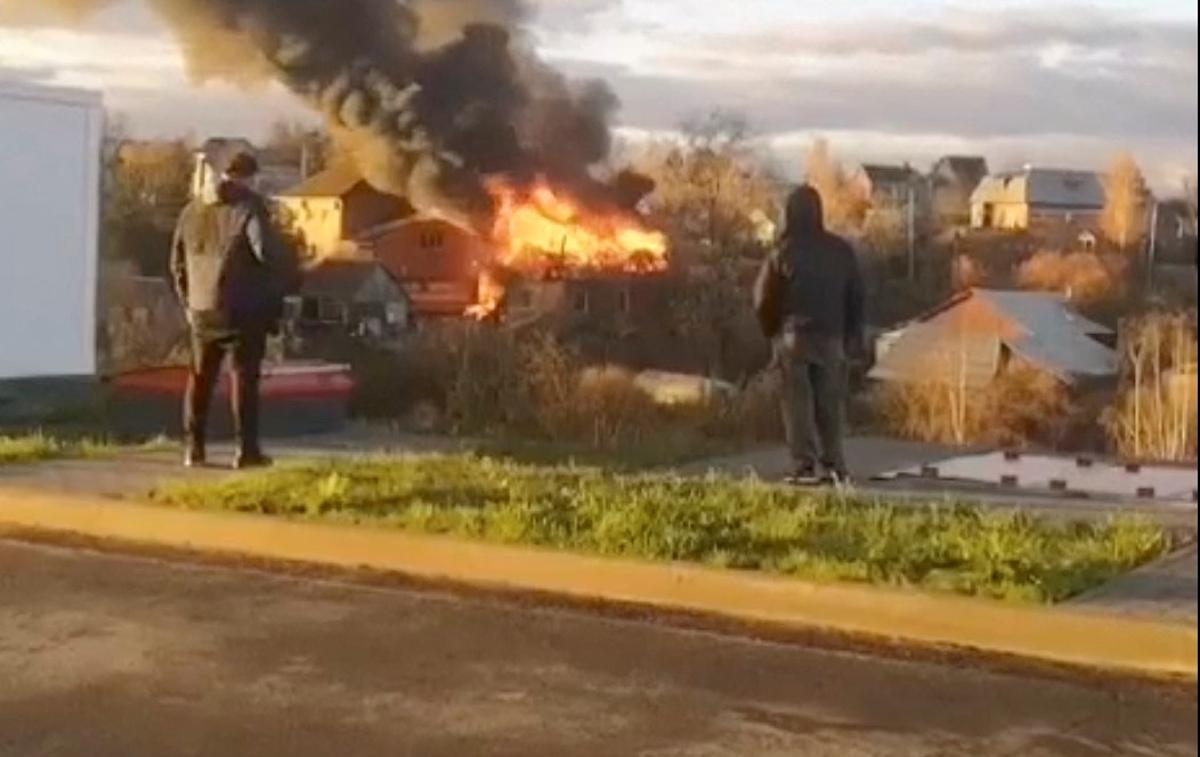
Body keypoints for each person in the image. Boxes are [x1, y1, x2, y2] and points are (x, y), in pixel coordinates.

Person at [170, 151, 286, 469]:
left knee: (200, 379)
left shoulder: (190, 212)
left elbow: (176, 263)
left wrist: (188, 304)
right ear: (247, 177)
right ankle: (246, 452)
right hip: (242, 309)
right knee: (244, 379)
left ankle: (194, 449)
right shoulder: (248, 207)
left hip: (200, 310)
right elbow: (266, 254)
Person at [754, 184, 865, 486]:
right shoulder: (841, 251)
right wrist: (852, 335)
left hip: (794, 338)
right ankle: (834, 465)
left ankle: (803, 466)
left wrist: (772, 332)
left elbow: (763, 298)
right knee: (829, 403)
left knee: (797, 404)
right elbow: (856, 296)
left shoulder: (782, 251)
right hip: (832, 338)